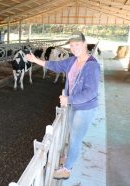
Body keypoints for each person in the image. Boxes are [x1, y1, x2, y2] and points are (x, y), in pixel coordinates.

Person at [26, 31, 100, 180]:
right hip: (75, 105)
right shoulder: (72, 61)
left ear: (85, 44)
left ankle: (67, 169)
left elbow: (90, 93)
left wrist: (69, 99)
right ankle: (69, 158)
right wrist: (36, 60)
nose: (74, 48)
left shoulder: (92, 66)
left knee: (75, 139)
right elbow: (56, 65)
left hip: (85, 108)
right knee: (73, 134)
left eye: (77, 44)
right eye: (71, 45)